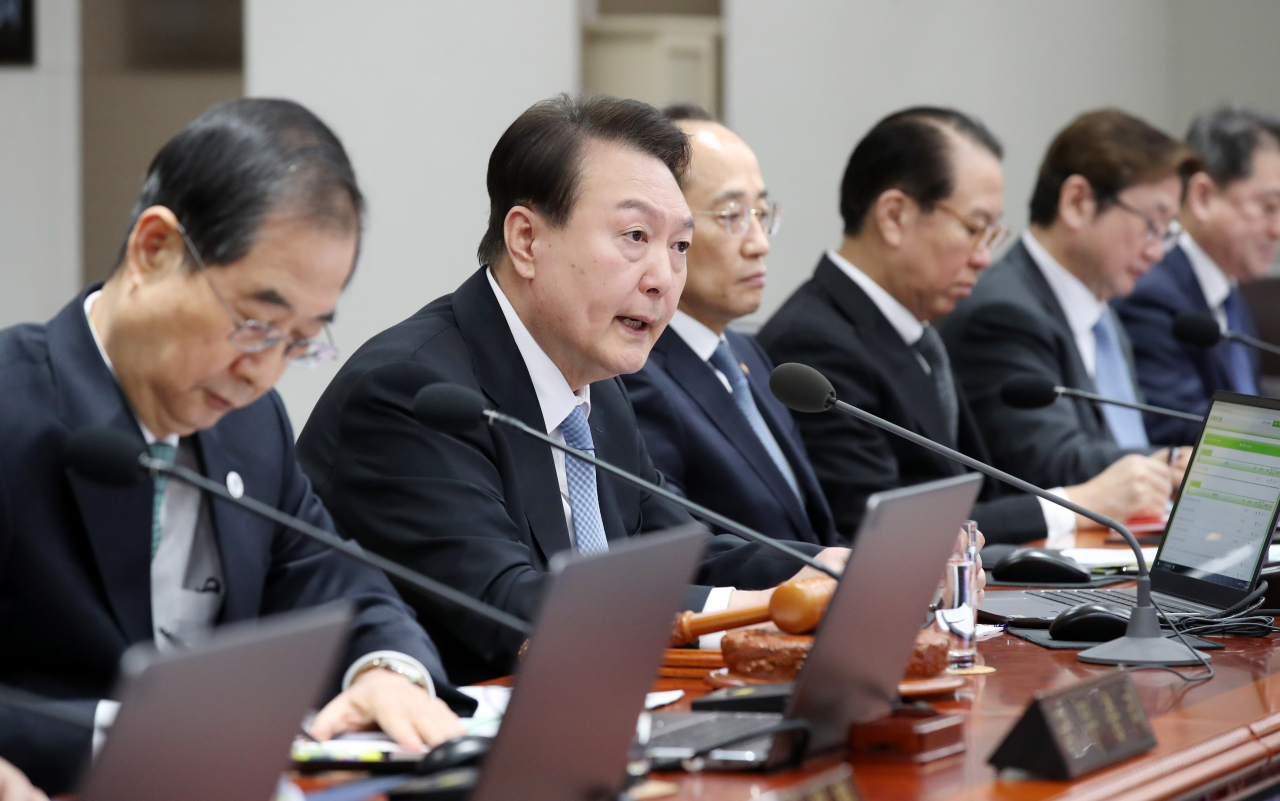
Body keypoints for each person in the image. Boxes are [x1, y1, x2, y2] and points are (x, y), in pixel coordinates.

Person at [297, 94, 849, 684]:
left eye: (679, 245)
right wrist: (750, 605)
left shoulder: (595, 385)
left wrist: (816, 565)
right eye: (635, 235)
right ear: (527, 241)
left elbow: (678, 549)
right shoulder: (413, 392)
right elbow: (510, 605)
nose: (664, 278)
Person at [0, 99, 466, 794]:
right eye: (254, 323)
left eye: (300, 340)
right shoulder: (12, 404)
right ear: (154, 250)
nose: (264, 370)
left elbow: (339, 580)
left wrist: (386, 670)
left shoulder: (252, 426)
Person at [759, 107, 1173, 545]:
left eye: (992, 235)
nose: (983, 258)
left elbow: (979, 492)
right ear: (894, 216)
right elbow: (879, 532)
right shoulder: (815, 343)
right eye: (975, 229)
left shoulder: (917, 334)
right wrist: (1074, 504)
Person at [941, 109, 1199, 490]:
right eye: (1151, 225)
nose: (1158, 251)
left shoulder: (1104, 313)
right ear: (1077, 202)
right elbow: (1049, 464)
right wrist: (1170, 461)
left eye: (1167, 232)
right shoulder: (1002, 313)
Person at [621, 105, 842, 548]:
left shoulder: (748, 356)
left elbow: (814, 530)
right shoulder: (634, 372)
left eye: (761, 214)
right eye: (732, 215)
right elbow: (682, 551)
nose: (759, 244)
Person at [1116, 106, 1280, 443]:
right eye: (1268, 207)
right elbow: (1180, 428)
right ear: (1203, 196)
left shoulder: (1232, 297)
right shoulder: (1151, 293)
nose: (1277, 230)